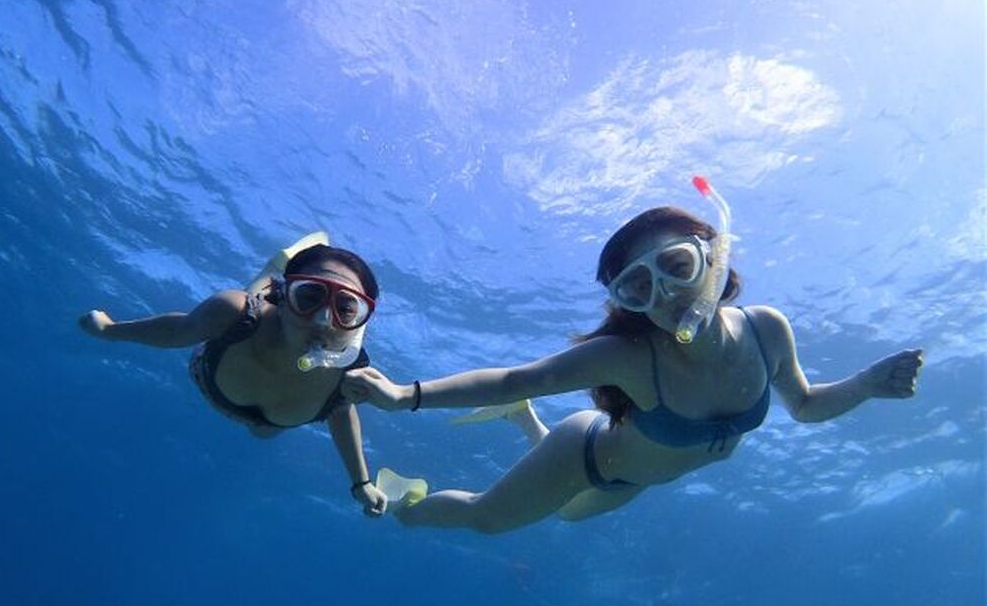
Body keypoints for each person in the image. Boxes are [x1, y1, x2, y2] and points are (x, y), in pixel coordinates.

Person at [340, 182, 924, 534]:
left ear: (714, 260)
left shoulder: (766, 330)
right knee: (488, 519)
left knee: (569, 517)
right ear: (626, 304)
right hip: (587, 456)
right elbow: (518, 376)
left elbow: (806, 404)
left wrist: (866, 383)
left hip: (633, 480)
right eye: (638, 288)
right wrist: (402, 396)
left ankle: (525, 421)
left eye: (676, 267)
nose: (665, 295)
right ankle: (406, 506)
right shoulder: (629, 357)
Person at [79, 233, 389, 517]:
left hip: (270, 422)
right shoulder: (234, 313)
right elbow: (179, 331)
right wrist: (111, 330)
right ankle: (276, 269)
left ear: (359, 323)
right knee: (248, 302)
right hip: (221, 357)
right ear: (284, 297)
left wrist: (361, 483)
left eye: (345, 309)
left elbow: (341, 413)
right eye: (309, 296)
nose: (322, 319)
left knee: (262, 433)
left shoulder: (350, 376)